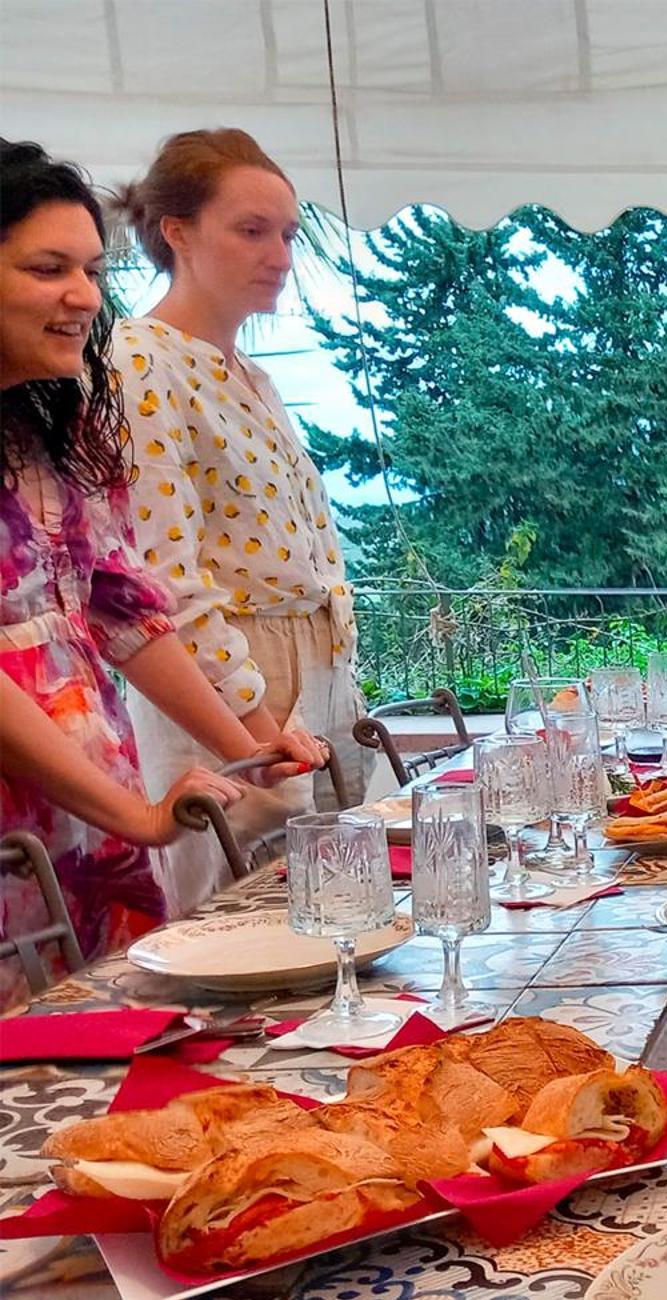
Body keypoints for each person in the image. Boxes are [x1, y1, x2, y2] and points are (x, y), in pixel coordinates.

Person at [0, 140, 319, 1000]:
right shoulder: (146, 364)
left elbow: (132, 615)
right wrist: (137, 814)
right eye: (47, 268)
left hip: (89, 802)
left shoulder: (49, 434)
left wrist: (254, 749)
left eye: (92, 270)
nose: (82, 296)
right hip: (43, 812)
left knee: (99, 1045)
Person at [110, 128, 369, 915]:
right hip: (227, 690)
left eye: (287, 233)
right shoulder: (140, 359)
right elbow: (163, 581)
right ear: (176, 231)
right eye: (251, 230)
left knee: (343, 925)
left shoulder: (248, 373)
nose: (281, 255)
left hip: (312, 683)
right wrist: (256, 733)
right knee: (238, 931)